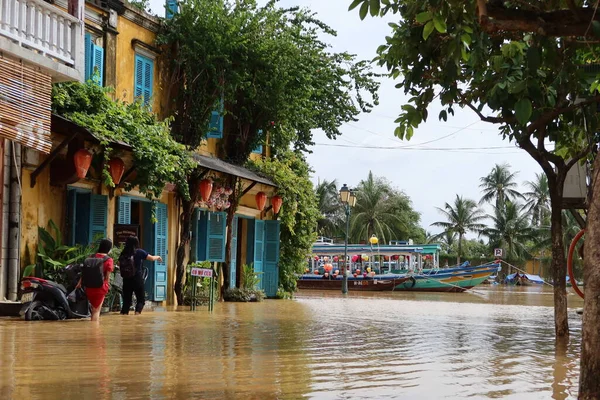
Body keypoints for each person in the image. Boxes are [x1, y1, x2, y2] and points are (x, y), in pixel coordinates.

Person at [119, 236, 162, 315]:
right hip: (137, 279)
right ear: (136, 243)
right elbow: (151, 258)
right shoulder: (139, 252)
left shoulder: (123, 253)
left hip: (126, 280)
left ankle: (124, 318)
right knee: (141, 300)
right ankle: (137, 315)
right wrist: (158, 257)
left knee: (126, 302)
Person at [78, 238, 114, 322]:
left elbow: (84, 272)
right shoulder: (109, 260)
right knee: (96, 311)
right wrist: (107, 287)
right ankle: (94, 333)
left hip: (89, 287)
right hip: (100, 287)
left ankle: (93, 331)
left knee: (93, 309)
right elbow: (107, 277)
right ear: (109, 248)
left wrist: (79, 283)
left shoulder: (91, 257)